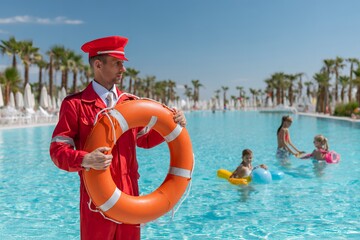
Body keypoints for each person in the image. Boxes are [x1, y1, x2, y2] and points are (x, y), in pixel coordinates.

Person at [49, 36, 187, 240]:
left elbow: (144, 140)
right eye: (117, 63)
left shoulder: (130, 103)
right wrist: (85, 159)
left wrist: (174, 126)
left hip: (130, 196)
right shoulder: (75, 104)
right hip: (95, 201)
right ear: (98, 64)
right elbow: (57, 152)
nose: (123, 69)